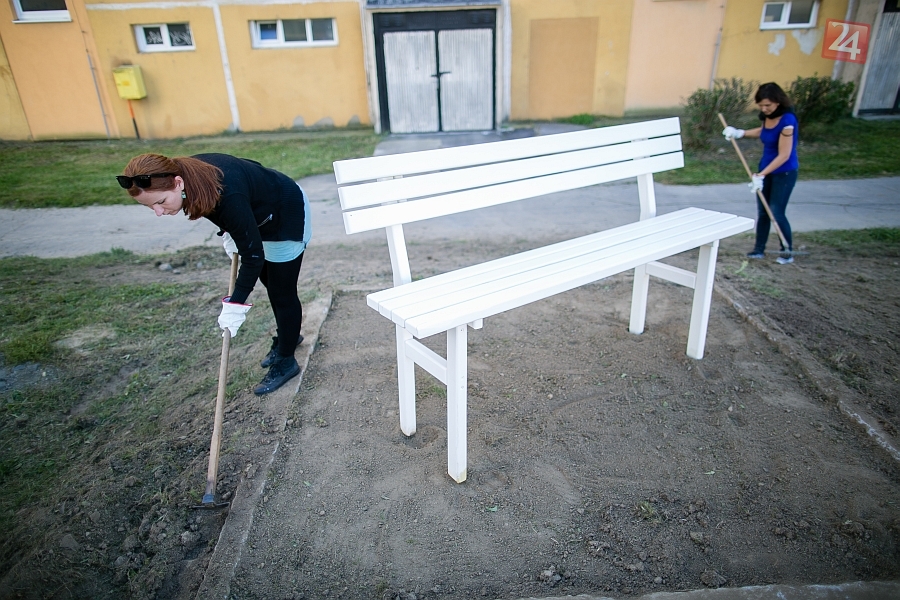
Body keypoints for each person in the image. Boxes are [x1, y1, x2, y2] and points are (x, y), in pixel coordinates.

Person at [117, 153, 312, 394]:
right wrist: (231, 229)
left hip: (284, 212)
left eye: (161, 202)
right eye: (149, 206)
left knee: (282, 292)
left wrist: (235, 304)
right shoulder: (187, 177)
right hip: (253, 215)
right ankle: (289, 337)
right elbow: (247, 172)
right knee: (271, 285)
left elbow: (253, 257)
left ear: (178, 183)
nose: (158, 211)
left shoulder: (226, 192)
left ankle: (286, 360)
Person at [723, 82, 799, 265]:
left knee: (777, 212)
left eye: (768, 105)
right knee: (763, 212)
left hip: (784, 172)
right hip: (765, 169)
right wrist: (740, 133)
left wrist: (761, 175)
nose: (764, 109)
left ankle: (787, 251)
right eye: (761, 105)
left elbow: (784, 155)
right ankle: (759, 249)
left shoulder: (788, 121)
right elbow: (765, 132)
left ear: (778, 102)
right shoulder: (767, 117)